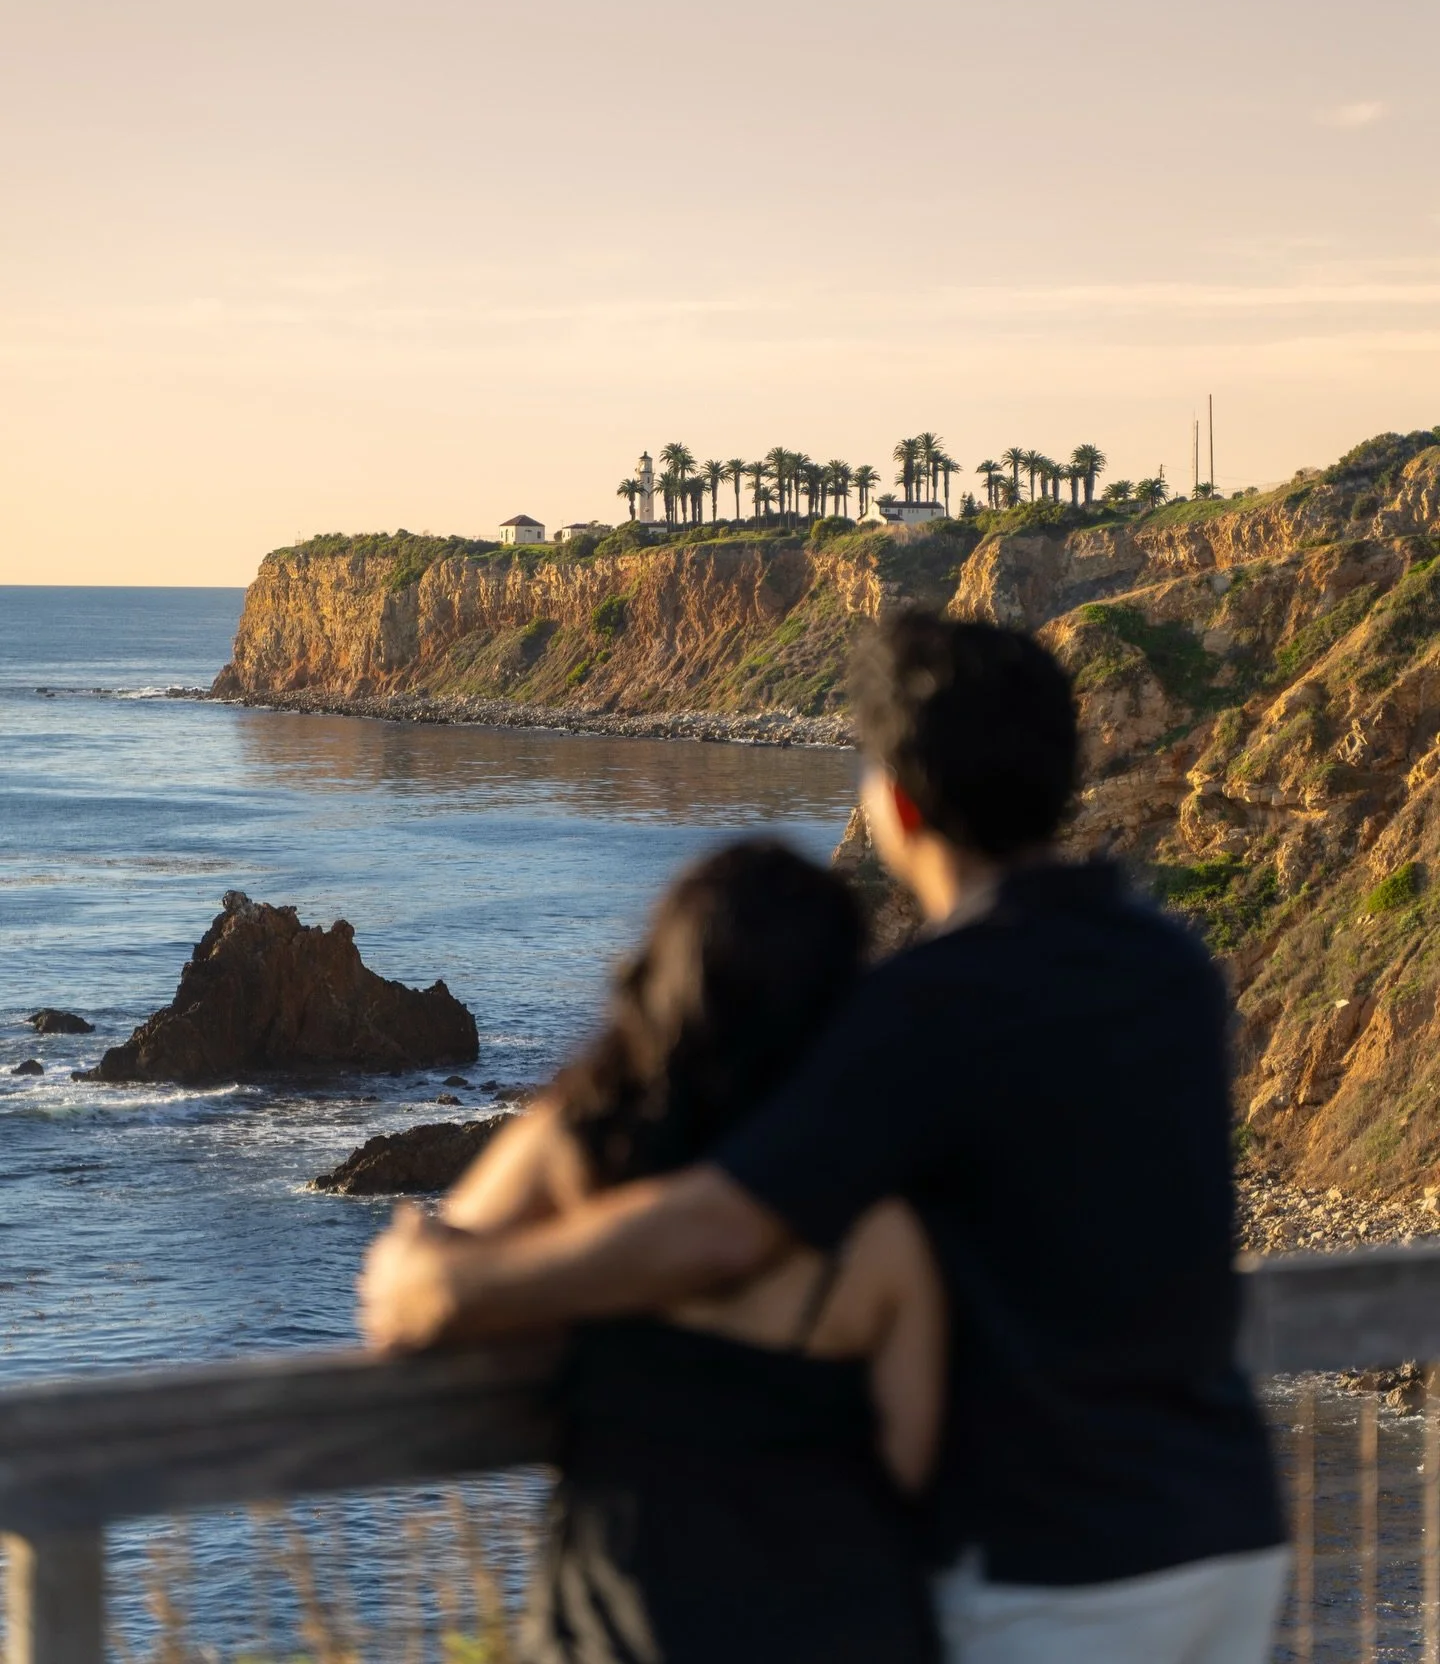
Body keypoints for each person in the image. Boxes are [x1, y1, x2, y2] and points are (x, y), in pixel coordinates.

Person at [361, 612, 1288, 1664]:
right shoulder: (1166, 964)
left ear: (894, 801)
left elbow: (723, 1226)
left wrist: (459, 1287)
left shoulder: (929, 1006)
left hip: (1050, 1559)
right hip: (1226, 1526)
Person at [436, 840, 944, 1664]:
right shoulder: (881, 1233)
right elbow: (911, 1470)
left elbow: (416, 1291)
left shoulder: (580, 1154)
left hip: (619, 1631)